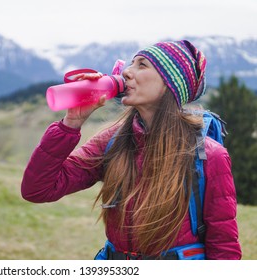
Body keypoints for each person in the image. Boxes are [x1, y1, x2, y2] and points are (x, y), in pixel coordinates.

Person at [21, 40, 242, 260]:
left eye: (142, 65)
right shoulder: (113, 142)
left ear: (170, 84)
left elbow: (224, 249)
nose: (127, 71)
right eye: (131, 64)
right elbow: (38, 190)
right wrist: (71, 123)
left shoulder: (208, 156)